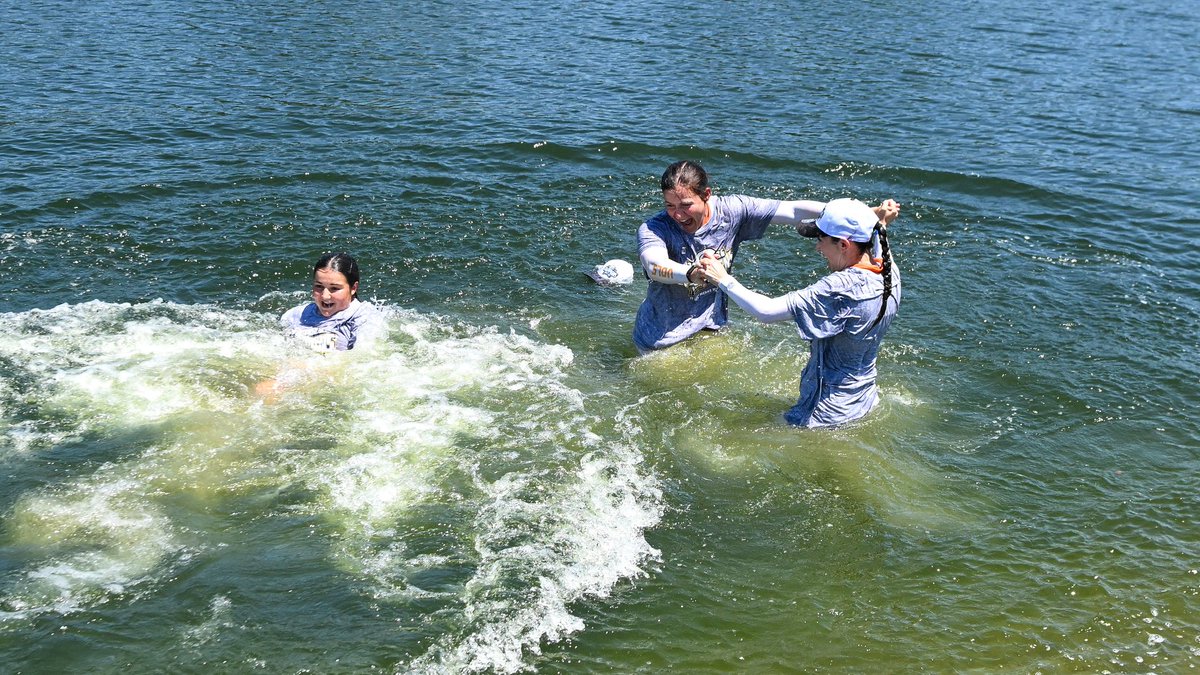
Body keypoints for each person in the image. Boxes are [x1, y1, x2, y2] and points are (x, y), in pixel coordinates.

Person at [633, 160, 893, 354]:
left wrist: (858, 215)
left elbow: (791, 211)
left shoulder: (733, 211)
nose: (677, 214)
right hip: (660, 340)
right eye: (670, 205)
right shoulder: (655, 228)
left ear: (707, 195)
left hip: (709, 331)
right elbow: (654, 265)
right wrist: (689, 273)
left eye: (686, 205)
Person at [697, 197, 901, 428]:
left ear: (844, 245)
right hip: (863, 399)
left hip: (824, 414)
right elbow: (877, 236)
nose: (817, 247)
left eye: (821, 239)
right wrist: (881, 221)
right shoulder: (889, 271)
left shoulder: (840, 288)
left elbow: (766, 311)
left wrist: (722, 278)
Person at [280, 252, 385, 352]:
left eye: (334, 288)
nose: (325, 296)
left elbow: (364, 356)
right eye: (319, 286)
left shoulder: (365, 317)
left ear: (353, 288)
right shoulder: (296, 315)